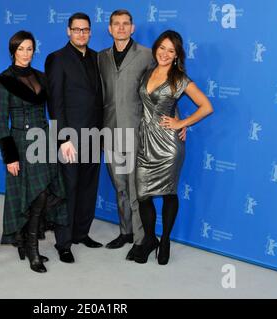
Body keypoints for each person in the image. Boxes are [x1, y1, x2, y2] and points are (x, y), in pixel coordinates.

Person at [98, 10, 186, 260]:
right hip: (110, 129)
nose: (121, 28)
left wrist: (180, 121)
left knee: (137, 189)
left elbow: (166, 89)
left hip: (140, 131)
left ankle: (143, 239)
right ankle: (125, 231)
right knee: (120, 186)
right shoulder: (101, 58)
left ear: (133, 28)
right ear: (110, 29)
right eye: (116, 24)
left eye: (126, 24)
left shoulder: (149, 54)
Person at [135, 30, 213, 265]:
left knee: (169, 193)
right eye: (162, 48)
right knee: (142, 195)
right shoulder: (146, 73)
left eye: (171, 50)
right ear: (155, 48)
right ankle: (150, 239)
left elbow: (206, 106)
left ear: (177, 55)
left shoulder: (180, 79)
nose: (165, 54)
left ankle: (165, 239)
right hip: (145, 141)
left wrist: (182, 122)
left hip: (168, 146)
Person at [0, 31, 68, 273]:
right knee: (36, 195)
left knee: (45, 192)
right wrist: (10, 156)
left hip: (42, 140)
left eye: (29, 49)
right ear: (13, 51)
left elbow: (52, 110)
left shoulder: (41, 77)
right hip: (19, 142)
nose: (26, 53)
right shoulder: (4, 79)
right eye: (21, 49)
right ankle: (32, 248)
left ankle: (27, 239)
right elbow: (1, 121)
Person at [45, 13, 103, 263]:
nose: (81, 34)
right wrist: (62, 138)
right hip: (70, 138)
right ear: (68, 31)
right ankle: (64, 243)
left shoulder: (96, 57)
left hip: (94, 135)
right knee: (67, 189)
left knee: (88, 187)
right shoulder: (57, 59)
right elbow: (55, 102)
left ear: (90, 32)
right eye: (77, 30)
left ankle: (81, 233)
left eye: (85, 30)